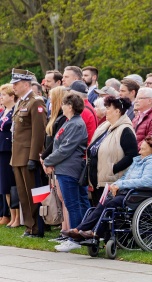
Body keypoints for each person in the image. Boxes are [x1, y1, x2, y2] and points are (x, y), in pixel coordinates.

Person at [56, 137, 152, 252]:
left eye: (144, 147)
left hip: (138, 194)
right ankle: (84, 231)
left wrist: (121, 184)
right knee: (103, 202)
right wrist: (115, 185)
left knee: (110, 204)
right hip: (128, 192)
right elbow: (124, 177)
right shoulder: (137, 161)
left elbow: (147, 181)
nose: (140, 148)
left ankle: (90, 232)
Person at [42, 93, 90, 233]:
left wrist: (47, 161)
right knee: (74, 203)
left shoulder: (76, 124)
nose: (61, 106)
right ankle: (78, 233)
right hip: (63, 167)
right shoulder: (69, 121)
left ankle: (75, 235)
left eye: (64, 104)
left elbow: (65, 149)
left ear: (70, 106)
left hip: (70, 168)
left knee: (72, 204)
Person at [10, 69, 46, 238]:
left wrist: (34, 157)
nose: (14, 87)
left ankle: (37, 228)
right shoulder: (22, 103)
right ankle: (30, 227)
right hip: (17, 155)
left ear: (26, 84)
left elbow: (38, 133)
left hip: (28, 155)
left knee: (34, 193)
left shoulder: (35, 102)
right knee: (23, 194)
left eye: (16, 84)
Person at [86, 96, 137, 207]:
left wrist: (112, 169)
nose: (106, 110)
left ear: (117, 111)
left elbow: (132, 155)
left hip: (110, 182)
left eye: (109, 108)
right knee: (97, 213)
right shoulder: (104, 127)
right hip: (97, 181)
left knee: (105, 215)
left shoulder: (126, 130)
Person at [0, 84, 17, 226]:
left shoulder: (14, 111)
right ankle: (9, 215)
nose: (1, 98)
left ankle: (14, 216)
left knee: (10, 183)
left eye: (4, 95)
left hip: (9, 150)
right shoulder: (4, 112)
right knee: (4, 185)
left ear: (12, 97)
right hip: (2, 148)